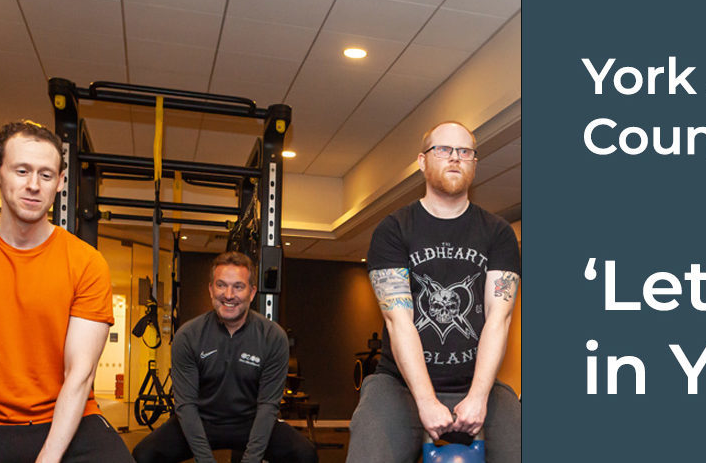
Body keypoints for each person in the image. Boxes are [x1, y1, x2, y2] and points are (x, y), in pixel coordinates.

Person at [0, 121, 132, 462]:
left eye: (46, 175)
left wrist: (49, 457)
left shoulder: (87, 262)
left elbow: (80, 374)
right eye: (21, 170)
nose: (33, 185)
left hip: (64, 418)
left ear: (60, 183)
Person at [350, 121, 522, 462]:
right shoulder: (395, 229)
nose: (455, 158)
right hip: (399, 384)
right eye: (443, 150)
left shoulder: (498, 233)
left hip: (474, 382)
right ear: (422, 161)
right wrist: (426, 401)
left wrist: (478, 395)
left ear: (474, 162)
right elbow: (399, 322)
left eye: (465, 151)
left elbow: (498, 319)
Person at [132, 251, 317, 463]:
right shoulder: (188, 335)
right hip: (201, 420)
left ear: (252, 292)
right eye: (221, 285)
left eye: (238, 286)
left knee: (304, 454)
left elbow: (268, 406)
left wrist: (251, 460)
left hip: (252, 421)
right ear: (211, 289)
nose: (228, 295)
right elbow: (186, 406)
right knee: (145, 454)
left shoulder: (273, 337)